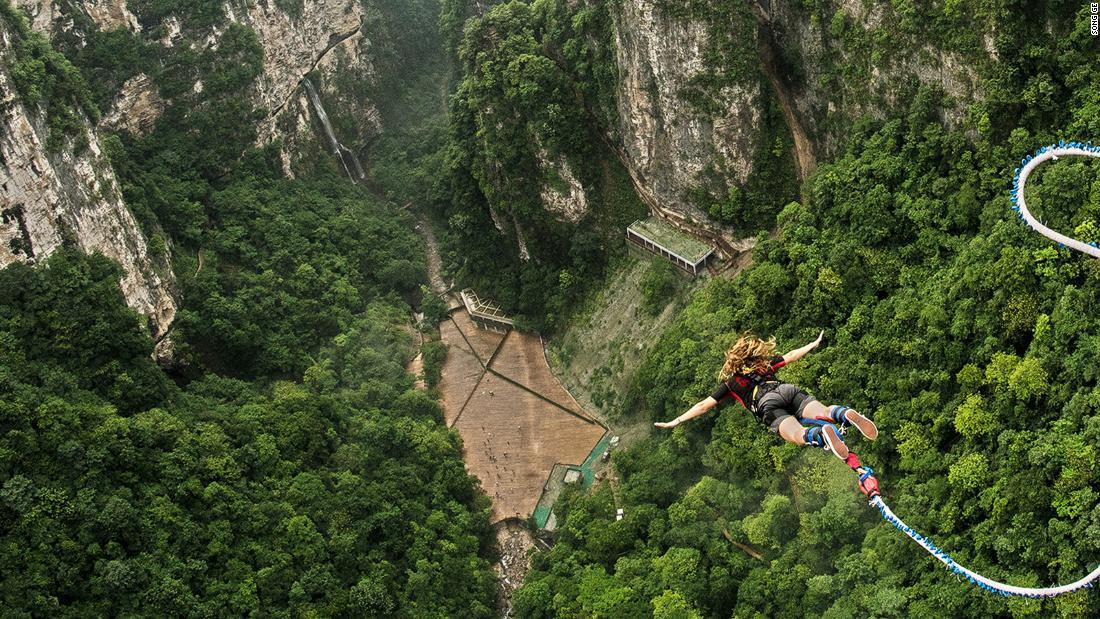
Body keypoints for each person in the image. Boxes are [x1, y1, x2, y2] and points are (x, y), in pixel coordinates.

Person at [654, 331, 877, 460]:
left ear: (734, 363)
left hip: (766, 404)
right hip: (786, 389)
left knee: (797, 434)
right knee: (824, 411)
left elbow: (704, 405)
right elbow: (790, 355)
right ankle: (843, 413)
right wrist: (812, 344)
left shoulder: (731, 383)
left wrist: (677, 420)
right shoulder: (764, 365)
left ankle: (819, 435)